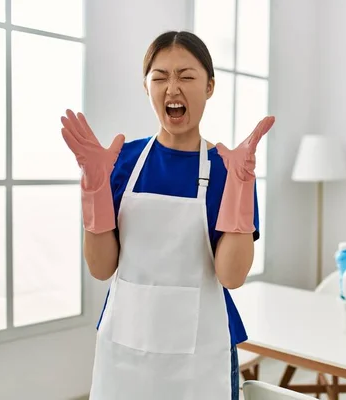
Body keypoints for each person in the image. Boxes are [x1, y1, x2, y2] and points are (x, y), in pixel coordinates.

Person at [60, 30, 274, 400]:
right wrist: (94, 190)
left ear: (209, 86)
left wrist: (239, 191)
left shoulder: (231, 168)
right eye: (159, 77)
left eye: (186, 76)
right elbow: (101, 268)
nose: (172, 88)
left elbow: (232, 275)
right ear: (146, 88)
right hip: (125, 345)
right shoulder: (120, 162)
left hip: (201, 353)